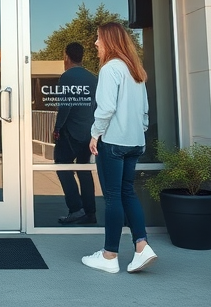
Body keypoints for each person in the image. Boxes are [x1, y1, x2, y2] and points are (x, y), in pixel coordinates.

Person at [82, 22, 157, 274]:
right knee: (128, 193)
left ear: (109, 41)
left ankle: (109, 256)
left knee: (113, 198)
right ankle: (142, 246)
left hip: (113, 143)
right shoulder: (136, 71)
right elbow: (145, 113)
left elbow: (105, 109)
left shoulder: (110, 69)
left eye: (98, 38)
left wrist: (94, 134)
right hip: (135, 142)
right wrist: (137, 130)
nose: (95, 43)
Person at [52, 42, 98, 225]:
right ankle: (90, 212)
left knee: (63, 167)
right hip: (88, 132)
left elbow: (65, 106)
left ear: (66, 56)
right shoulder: (93, 78)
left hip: (70, 133)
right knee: (84, 171)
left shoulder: (67, 77)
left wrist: (57, 128)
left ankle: (75, 209)